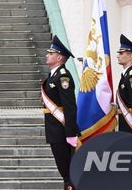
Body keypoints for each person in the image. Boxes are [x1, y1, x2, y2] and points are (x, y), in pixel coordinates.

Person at [42, 35, 79, 190]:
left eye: (50, 53)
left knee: (68, 170)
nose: (47, 55)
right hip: (54, 129)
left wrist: (70, 132)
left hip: (62, 129)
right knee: (63, 169)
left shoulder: (63, 76)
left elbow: (69, 105)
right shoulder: (53, 75)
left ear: (59, 57)